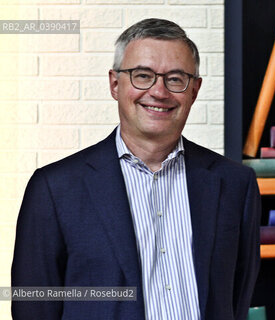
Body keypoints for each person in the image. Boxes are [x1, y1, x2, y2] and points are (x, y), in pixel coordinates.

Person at [11, 18, 261, 320]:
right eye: (143, 76)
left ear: (194, 91)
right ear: (115, 84)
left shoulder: (235, 183)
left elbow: (238, 297)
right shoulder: (54, 189)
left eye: (176, 79)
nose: (159, 92)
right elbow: (34, 310)